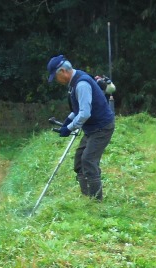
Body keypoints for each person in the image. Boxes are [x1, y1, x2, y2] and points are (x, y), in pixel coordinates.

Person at [47, 54, 115, 201]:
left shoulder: (81, 84)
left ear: (63, 72)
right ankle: (86, 196)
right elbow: (79, 109)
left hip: (102, 127)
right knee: (80, 160)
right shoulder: (74, 81)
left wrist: (69, 128)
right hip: (92, 128)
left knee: (89, 160)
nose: (57, 81)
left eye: (56, 77)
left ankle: (96, 201)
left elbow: (85, 113)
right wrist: (68, 121)